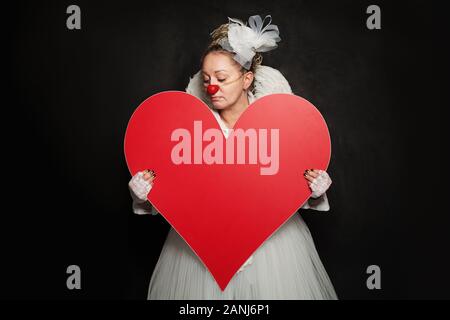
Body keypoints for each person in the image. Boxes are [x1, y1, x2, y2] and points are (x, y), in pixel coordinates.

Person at [128, 15, 338, 299]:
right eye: (206, 79)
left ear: (246, 79)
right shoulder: (188, 132)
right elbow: (178, 192)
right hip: (203, 248)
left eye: (222, 78)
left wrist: (314, 190)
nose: (212, 87)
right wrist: (144, 195)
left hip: (272, 247)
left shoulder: (278, 127)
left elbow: (284, 189)